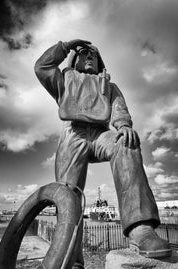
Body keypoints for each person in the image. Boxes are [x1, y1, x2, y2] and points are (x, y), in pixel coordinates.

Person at [35, 39, 171, 268]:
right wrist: (66, 45)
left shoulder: (109, 85)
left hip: (101, 134)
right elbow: (42, 67)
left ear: (100, 62)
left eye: (94, 55)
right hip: (72, 136)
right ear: (74, 59)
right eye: (84, 53)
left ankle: (141, 230)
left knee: (126, 143)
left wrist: (124, 126)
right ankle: (71, 258)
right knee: (68, 195)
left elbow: (120, 111)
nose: (89, 56)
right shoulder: (64, 81)